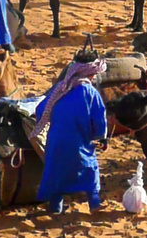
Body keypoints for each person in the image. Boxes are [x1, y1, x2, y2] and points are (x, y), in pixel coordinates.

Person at [33, 52, 110, 215]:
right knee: (90, 169)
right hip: (78, 142)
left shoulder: (60, 89)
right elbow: (99, 120)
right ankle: (94, 205)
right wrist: (101, 138)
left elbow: (41, 110)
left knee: (57, 173)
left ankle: (55, 208)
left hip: (55, 142)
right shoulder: (90, 92)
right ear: (91, 73)